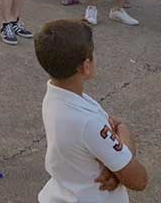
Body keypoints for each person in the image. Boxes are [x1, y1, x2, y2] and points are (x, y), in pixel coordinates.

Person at [34, 19, 148, 201]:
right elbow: (139, 179)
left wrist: (116, 166)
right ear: (86, 67)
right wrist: (124, 129)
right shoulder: (88, 122)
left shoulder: (56, 97)